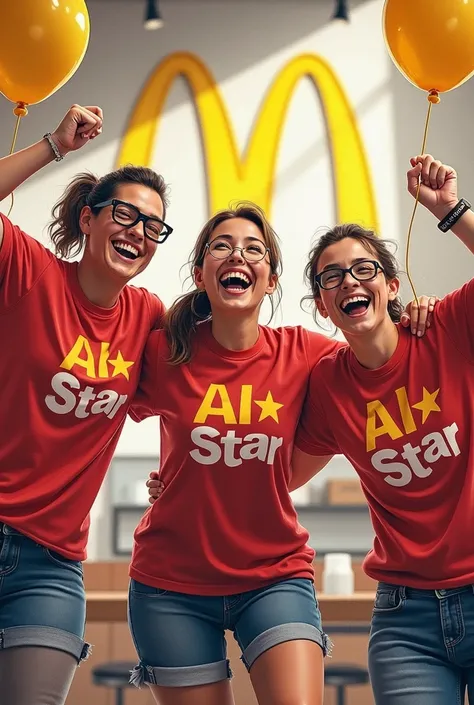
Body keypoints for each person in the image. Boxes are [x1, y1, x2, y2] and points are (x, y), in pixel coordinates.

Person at [128, 199, 436, 705]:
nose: (237, 256)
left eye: (254, 249)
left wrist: (414, 314)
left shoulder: (307, 354)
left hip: (274, 576)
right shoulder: (166, 351)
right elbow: (93, 405)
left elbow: (378, 354)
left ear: (270, 280)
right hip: (170, 583)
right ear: (200, 273)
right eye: (221, 247)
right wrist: (179, 479)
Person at [0, 104, 172, 705]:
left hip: (50, 562)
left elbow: (213, 385)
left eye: (154, 226)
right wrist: (52, 145)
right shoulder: (30, 273)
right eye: (125, 214)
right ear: (89, 219)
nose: (138, 232)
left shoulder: (149, 318)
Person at [293, 154, 474, 704]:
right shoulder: (326, 386)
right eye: (331, 277)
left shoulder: (447, 328)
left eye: (362, 269)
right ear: (325, 307)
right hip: (405, 619)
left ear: (391, 286)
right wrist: (175, 481)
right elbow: (274, 475)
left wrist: (450, 210)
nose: (348, 280)